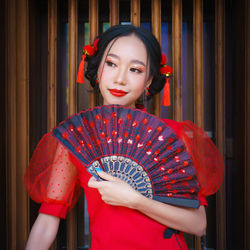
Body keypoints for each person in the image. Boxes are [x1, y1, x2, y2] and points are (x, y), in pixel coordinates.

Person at [25, 24, 224, 250]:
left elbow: (198, 225)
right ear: (98, 68)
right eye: (111, 64)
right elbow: (48, 219)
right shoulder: (76, 140)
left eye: (135, 70)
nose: (120, 79)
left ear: (149, 80)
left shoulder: (175, 137)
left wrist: (134, 200)